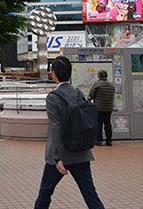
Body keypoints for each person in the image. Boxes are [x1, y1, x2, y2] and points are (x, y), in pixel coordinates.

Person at [35, 56, 104, 209]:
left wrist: (57, 158)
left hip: (60, 155)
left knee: (45, 193)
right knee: (90, 195)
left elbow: (55, 129)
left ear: (53, 74)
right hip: (81, 152)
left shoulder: (53, 98)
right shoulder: (78, 93)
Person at [89, 70, 115, 147]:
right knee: (108, 124)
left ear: (99, 76)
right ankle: (109, 140)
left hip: (99, 108)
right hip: (109, 108)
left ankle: (99, 140)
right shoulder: (111, 85)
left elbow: (91, 95)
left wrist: (88, 100)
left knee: (99, 124)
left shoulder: (97, 85)